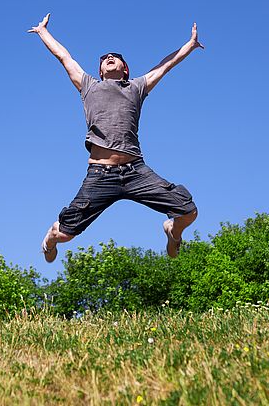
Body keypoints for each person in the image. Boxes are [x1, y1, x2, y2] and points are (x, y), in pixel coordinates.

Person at [27, 13, 204, 263]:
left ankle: (172, 231)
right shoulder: (88, 85)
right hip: (101, 175)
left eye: (115, 57)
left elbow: (165, 65)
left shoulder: (137, 87)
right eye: (104, 59)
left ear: (125, 69)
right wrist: (43, 32)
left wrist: (190, 45)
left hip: (136, 172)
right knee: (66, 234)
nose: (109, 58)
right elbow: (64, 57)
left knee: (189, 211)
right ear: (100, 70)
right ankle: (51, 238)